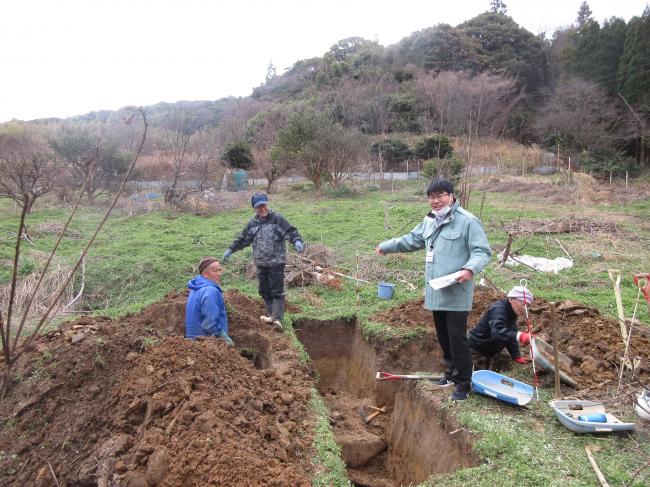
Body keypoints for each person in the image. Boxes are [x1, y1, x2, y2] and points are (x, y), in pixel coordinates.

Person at [375, 178, 491, 400]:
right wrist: (386, 246)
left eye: (440, 196)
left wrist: (469, 269)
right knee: (443, 337)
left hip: (456, 291)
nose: (435, 201)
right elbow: (412, 240)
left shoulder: (467, 222)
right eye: (431, 197)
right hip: (436, 291)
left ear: (451, 196)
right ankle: (450, 373)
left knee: (457, 338)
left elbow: (482, 251)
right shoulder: (430, 222)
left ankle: (463, 383)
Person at [223, 192, 304, 329]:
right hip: (260, 263)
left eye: (264, 205)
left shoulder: (276, 219)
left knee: (276, 290)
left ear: (267, 204)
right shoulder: (253, 224)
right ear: (254, 208)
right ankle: (272, 315)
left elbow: (289, 231)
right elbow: (243, 239)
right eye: (258, 207)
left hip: (276, 262)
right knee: (264, 290)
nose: (262, 209)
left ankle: (277, 318)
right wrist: (231, 249)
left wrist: (296, 241)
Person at [468, 286, 534, 369]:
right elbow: (498, 332)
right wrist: (519, 336)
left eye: (527, 306)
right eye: (523, 304)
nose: (525, 309)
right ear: (511, 299)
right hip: (475, 350)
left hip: (488, 351)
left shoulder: (512, 313)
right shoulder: (498, 310)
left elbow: (509, 336)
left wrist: (516, 356)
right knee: (474, 376)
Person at [185, 256, 233, 345]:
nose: (219, 274)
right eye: (215, 271)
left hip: (193, 343)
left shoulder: (196, 289)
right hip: (207, 343)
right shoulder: (210, 291)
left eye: (220, 270)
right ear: (205, 274)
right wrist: (223, 337)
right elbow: (210, 324)